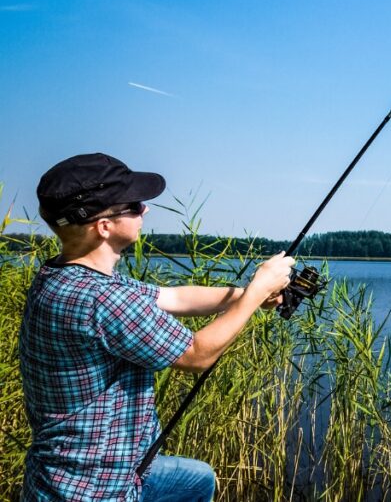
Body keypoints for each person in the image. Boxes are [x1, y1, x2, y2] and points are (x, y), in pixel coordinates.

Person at [20, 153, 294, 502]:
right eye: (134, 205)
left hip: (92, 469)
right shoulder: (104, 300)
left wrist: (247, 296)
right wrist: (256, 291)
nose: (144, 210)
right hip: (94, 487)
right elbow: (196, 355)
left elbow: (174, 297)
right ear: (103, 226)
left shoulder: (63, 277)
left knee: (197, 480)